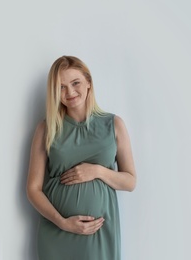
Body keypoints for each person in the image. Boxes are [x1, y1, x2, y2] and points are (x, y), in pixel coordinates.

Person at [26, 55, 136, 260]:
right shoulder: (46, 129)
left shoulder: (114, 125)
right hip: (57, 233)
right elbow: (33, 189)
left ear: (88, 82)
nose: (70, 92)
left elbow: (130, 182)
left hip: (99, 233)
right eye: (61, 87)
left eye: (75, 83)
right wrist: (62, 222)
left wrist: (97, 171)